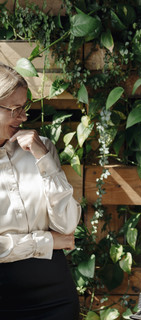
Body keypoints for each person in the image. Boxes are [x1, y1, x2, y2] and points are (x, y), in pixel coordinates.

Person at [0, 62, 81, 319]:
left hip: (57, 297)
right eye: (15, 110)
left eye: (24, 108)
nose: (23, 117)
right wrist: (45, 241)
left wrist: (44, 159)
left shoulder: (41, 147)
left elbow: (66, 225)